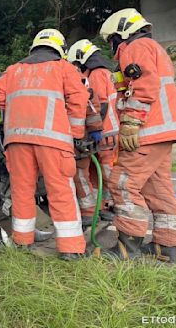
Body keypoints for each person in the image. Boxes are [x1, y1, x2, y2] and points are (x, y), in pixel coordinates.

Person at [0, 28, 89, 260]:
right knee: (60, 190)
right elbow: (79, 98)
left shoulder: (14, 71)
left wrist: (19, 106)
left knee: (22, 190)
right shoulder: (63, 68)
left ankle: (22, 241)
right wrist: (75, 132)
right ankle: (71, 248)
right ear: (59, 49)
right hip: (53, 141)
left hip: (16, 141)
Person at [99, 8, 176, 262]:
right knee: (158, 189)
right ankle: (166, 248)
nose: (113, 47)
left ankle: (128, 248)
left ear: (122, 33)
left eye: (112, 40)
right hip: (164, 132)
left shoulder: (135, 49)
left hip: (147, 132)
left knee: (122, 183)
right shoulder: (155, 49)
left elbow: (143, 86)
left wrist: (130, 122)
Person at [67, 39, 119, 225]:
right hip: (112, 132)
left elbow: (98, 105)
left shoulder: (95, 75)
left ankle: (108, 207)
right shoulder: (106, 72)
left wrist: (92, 130)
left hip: (103, 133)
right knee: (100, 174)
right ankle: (103, 206)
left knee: (102, 173)